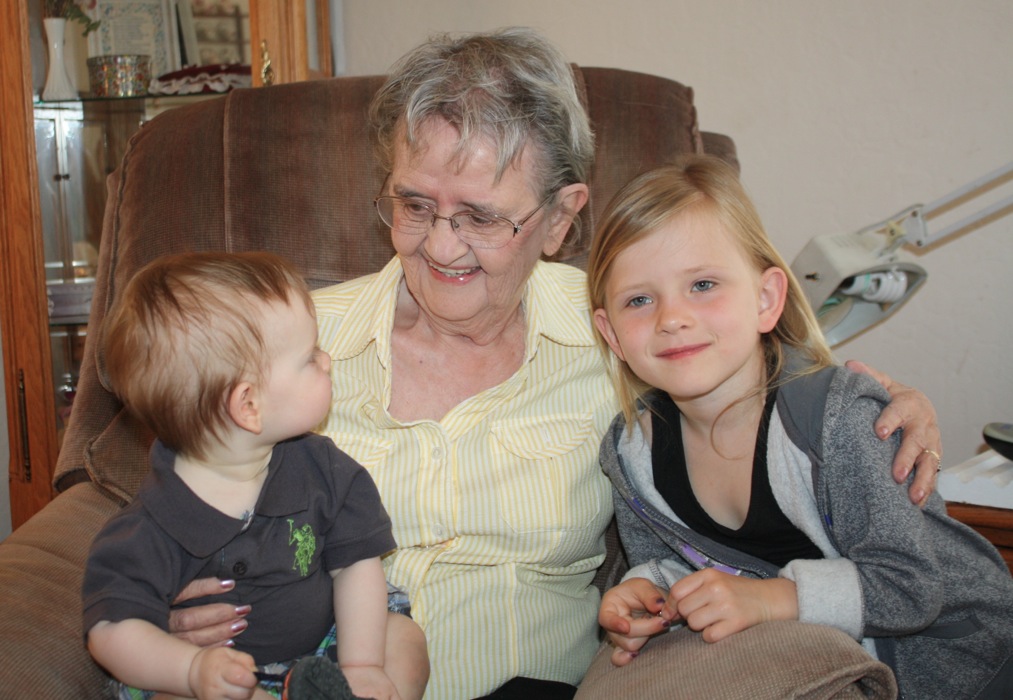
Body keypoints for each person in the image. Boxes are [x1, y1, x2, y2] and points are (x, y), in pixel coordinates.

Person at [168, 29, 944, 700]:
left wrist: (884, 402)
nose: (439, 246)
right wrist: (171, 600)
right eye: (414, 205)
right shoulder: (290, 340)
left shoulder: (623, 325)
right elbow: (174, 492)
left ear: (561, 219)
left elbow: (768, 395)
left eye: (480, 216)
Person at [587, 156, 1013, 698]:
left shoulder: (838, 421)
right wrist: (642, 592)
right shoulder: (630, 453)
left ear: (766, 299)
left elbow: (913, 587)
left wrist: (772, 599)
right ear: (612, 334)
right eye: (639, 300)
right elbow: (666, 562)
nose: (671, 317)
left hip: (963, 667)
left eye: (703, 284)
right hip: (819, 661)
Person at [82, 252, 429, 700]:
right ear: (248, 406)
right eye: (309, 358)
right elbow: (109, 630)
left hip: (330, 650)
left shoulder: (323, 469)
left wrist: (361, 665)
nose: (326, 361)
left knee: (403, 638)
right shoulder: (149, 526)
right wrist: (190, 670)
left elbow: (356, 564)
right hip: (218, 680)